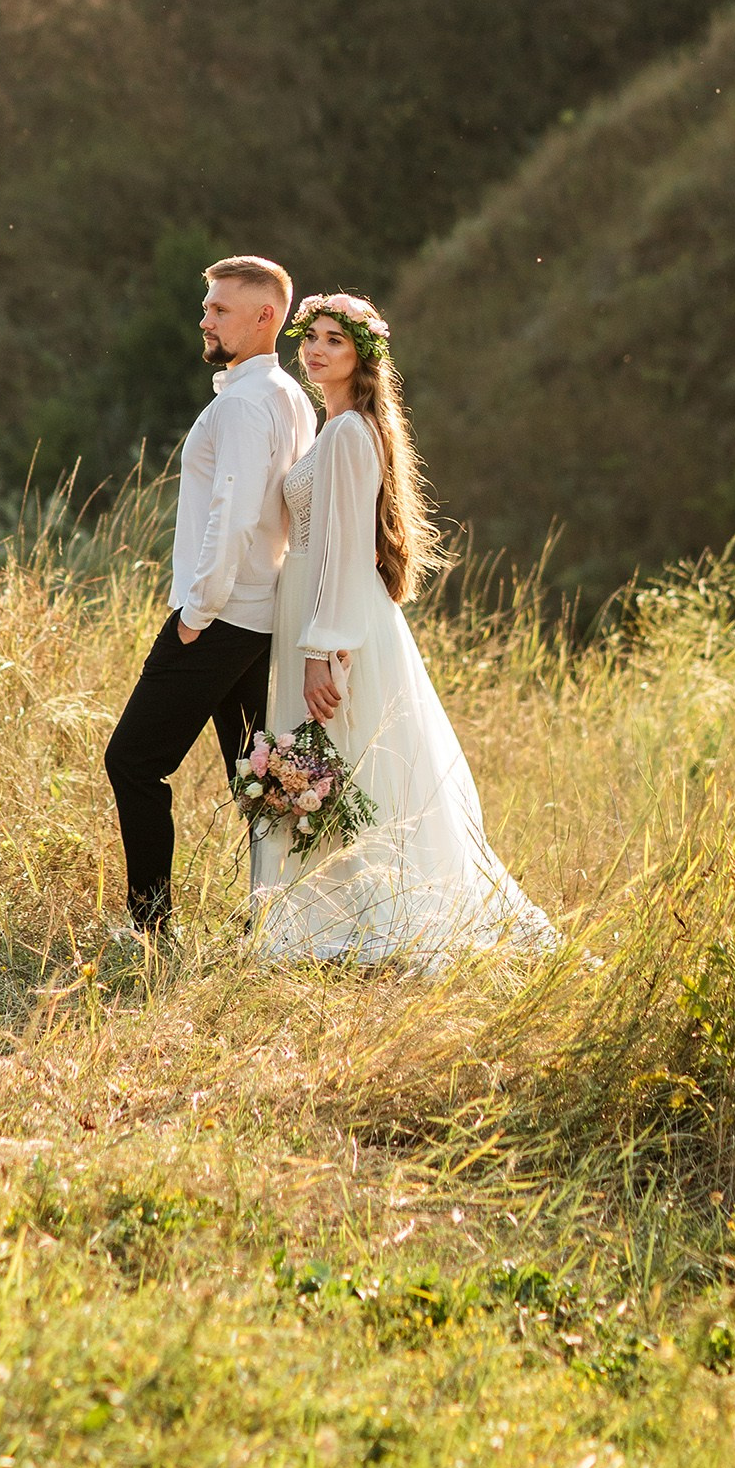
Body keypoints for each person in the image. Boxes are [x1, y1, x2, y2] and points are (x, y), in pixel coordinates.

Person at [252, 291, 556, 968]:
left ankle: (367, 920)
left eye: (335, 339)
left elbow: (345, 552)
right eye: (314, 337)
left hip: (334, 621)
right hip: (317, 610)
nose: (318, 349)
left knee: (348, 768)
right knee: (335, 770)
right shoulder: (334, 429)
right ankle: (322, 914)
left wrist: (320, 651)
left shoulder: (350, 433)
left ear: (363, 356)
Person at [104, 254, 317, 935]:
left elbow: (234, 514)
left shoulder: (251, 404)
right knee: (257, 778)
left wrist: (195, 615)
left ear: (266, 317)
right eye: (207, 306)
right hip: (255, 615)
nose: (206, 318)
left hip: (221, 615)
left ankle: (150, 927)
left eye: (220, 309)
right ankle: (286, 919)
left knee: (133, 761)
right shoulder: (282, 394)